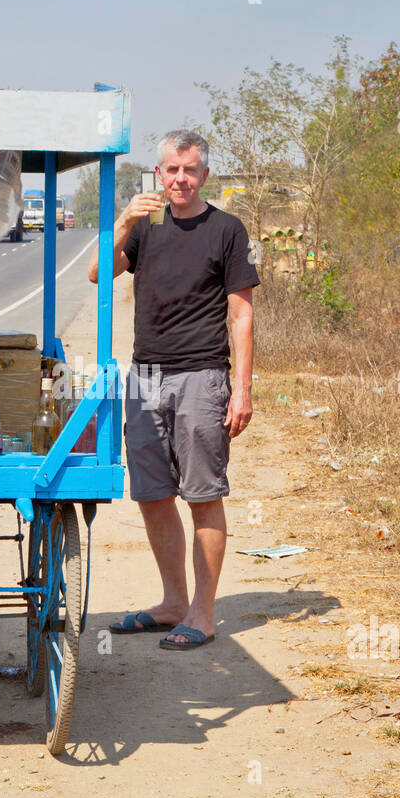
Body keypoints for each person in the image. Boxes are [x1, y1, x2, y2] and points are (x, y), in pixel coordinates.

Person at [90, 130, 258, 651]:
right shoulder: (146, 228)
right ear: (157, 174)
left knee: (202, 495)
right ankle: (171, 603)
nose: (179, 179)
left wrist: (242, 389)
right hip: (143, 378)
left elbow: (241, 313)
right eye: (171, 170)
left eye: (189, 170)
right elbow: (99, 274)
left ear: (204, 174)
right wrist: (123, 221)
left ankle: (203, 615)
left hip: (201, 378)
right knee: (152, 494)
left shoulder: (227, 230)